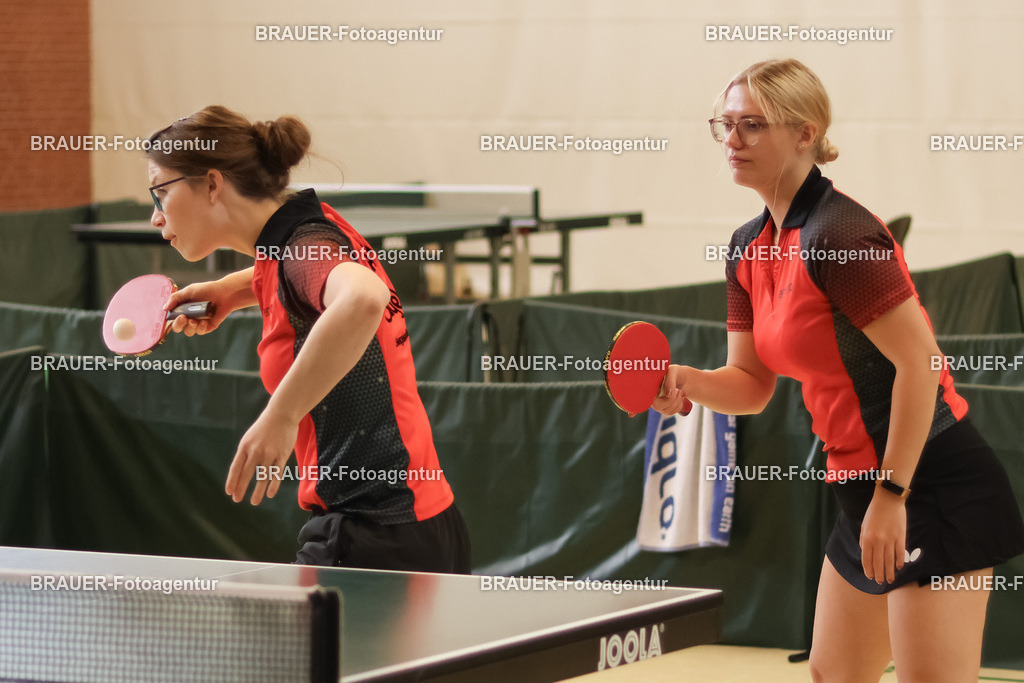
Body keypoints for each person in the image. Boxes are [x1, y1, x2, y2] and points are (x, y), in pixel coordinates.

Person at [654, 59, 1024, 681]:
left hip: (926, 482)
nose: (732, 141)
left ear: (806, 132)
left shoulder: (841, 235)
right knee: (834, 675)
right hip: (861, 489)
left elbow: (922, 363)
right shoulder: (749, 245)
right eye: (725, 124)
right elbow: (750, 385)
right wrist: (688, 381)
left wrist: (892, 495)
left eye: (752, 125)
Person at [145, 106, 470, 573]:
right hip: (424, 523)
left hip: (372, 536)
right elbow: (298, 272)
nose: (156, 217)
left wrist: (281, 416)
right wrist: (231, 292)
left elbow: (362, 299)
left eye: (160, 193)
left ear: (213, 184)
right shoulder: (310, 228)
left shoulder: (301, 249)